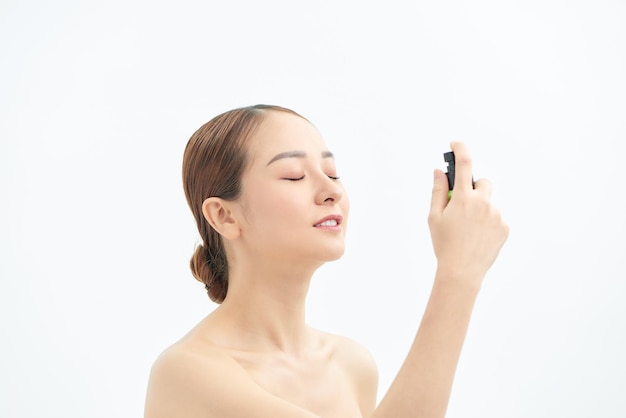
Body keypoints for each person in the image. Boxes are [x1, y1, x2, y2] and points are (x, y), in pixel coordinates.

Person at [144, 104, 509, 418]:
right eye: (294, 175)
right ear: (224, 216)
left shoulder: (352, 365)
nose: (332, 190)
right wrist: (458, 273)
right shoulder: (186, 373)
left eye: (333, 173)